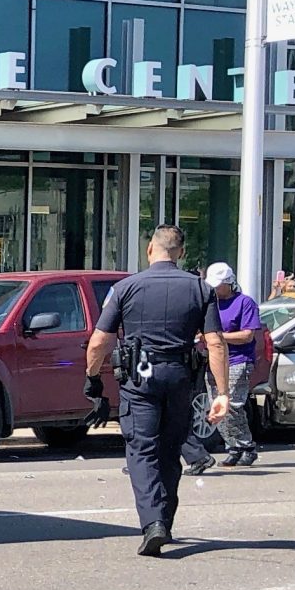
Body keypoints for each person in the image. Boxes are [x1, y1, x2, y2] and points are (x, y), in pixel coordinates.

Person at [87, 226, 229, 557]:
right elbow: (215, 343)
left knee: (141, 449)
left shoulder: (125, 288)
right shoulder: (200, 288)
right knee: (170, 449)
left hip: (140, 379)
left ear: (150, 249)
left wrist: (92, 377)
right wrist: (221, 393)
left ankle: (153, 523)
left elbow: (99, 341)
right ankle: (164, 517)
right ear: (180, 252)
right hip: (180, 378)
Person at [202, 261, 263, 467]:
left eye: (218, 285)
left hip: (238, 359)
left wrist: (219, 337)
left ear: (229, 283)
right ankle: (233, 446)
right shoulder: (210, 304)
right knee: (217, 406)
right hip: (214, 359)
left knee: (233, 405)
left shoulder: (245, 303)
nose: (215, 289)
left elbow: (247, 335)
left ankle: (246, 446)